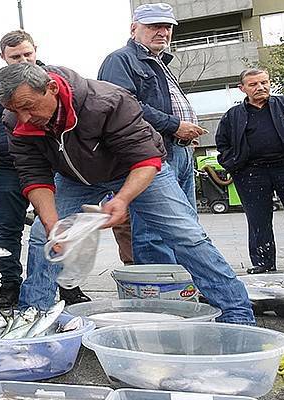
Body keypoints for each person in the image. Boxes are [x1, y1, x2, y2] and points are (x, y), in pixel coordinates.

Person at [0, 62, 255, 325]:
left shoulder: (107, 101)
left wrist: (122, 199)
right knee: (42, 236)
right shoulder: (15, 120)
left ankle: (236, 311)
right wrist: (52, 224)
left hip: (136, 168)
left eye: (28, 107)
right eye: (15, 110)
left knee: (186, 234)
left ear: (51, 88)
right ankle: (33, 317)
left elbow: (145, 158)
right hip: (76, 178)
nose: (24, 118)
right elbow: (34, 174)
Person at [0, 30, 91, 309]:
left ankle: (66, 284)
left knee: (59, 228)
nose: (23, 59)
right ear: (3, 57)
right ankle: (9, 284)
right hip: (5, 167)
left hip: (50, 165)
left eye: (27, 54)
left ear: (36, 50)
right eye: (15, 56)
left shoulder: (54, 83)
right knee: (8, 229)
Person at [98, 3, 206, 264]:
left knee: (186, 225)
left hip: (178, 150)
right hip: (151, 154)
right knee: (153, 230)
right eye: (154, 26)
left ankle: (181, 286)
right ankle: (158, 294)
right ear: (134, 28)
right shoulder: (120, 59)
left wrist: (182, 132)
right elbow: (123, 106)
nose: (162, 32)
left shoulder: (160, 62)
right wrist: (174, 125)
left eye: (167, 27)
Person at [216, 68, 284, 274]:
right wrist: (232, 164)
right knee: (257, 220)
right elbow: (222, 144)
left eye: (264, 82)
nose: (260, 87)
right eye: (253, 84)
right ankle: (263, 263)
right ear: (242, 88)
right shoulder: (233, 116)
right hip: (251, 173)